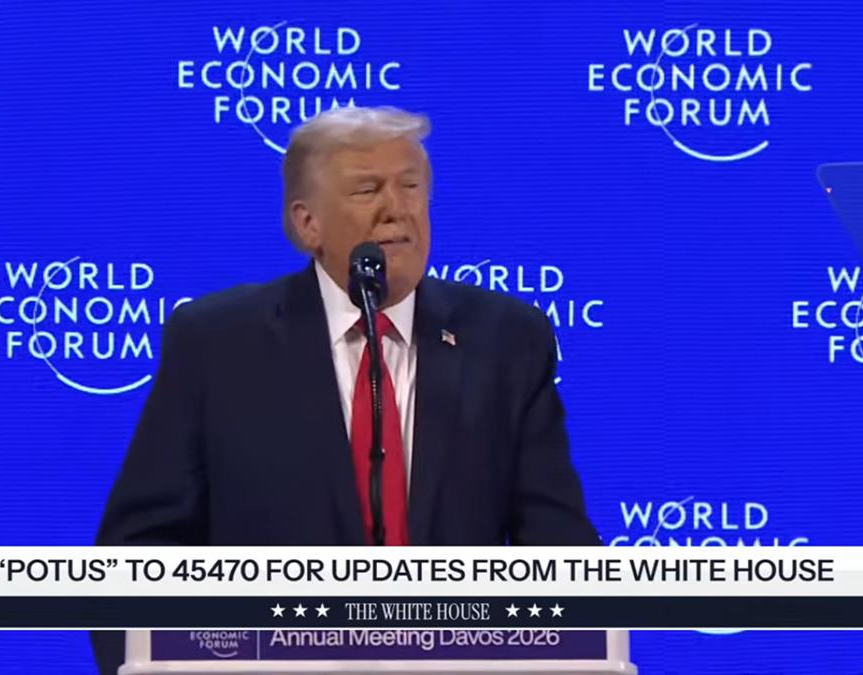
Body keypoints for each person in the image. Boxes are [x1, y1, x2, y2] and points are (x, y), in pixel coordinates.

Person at [91, 106, 600, 674]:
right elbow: (137, 555)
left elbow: (558, 549)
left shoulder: (505, 340)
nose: (397, 208)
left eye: (411, 186)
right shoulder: (218, 343)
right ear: (307, 223)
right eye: (367, 190)